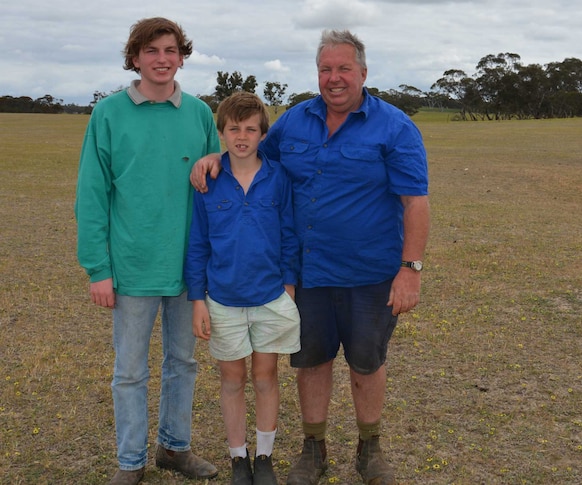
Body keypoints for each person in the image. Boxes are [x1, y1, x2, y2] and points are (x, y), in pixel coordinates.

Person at [191, 29, 430, 485]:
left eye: (344, 69)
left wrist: (410, 270)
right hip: (309, 273)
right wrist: (214, 159)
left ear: (363, 72)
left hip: (370, 274)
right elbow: (252, 155)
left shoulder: (396, 127)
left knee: (367, 362)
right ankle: (313, 448)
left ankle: (370, 447)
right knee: (311, 362)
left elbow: (415, 203)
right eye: (326, 69)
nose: (334, 78)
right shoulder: (294, 121)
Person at [74, 17, 221, 485]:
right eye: (152, 50)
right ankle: (130, 461)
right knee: (130, 372)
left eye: (171, 50)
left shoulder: (199, 113)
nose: (162, 59)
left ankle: (174, 449)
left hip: (188, 268)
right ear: (135, 57)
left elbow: (218, 188)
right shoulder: (109, 113)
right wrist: (98, 268)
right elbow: (92, 195)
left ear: (182, 56)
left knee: (184, 362)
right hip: (132, 266)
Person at [184, 91, 301, 485]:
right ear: (221, 132)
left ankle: (264, 456)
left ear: (262, 133)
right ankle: (238, 458)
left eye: (251, 129)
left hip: (270, 297)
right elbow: (197, 243)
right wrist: (198, 299)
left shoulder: (278, 177)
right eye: (234, 128)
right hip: (223, 300)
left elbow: (289, 236)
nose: (242, 136)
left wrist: (289, 288)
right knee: (232, 379)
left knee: (266, 376)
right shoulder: (209, 180)